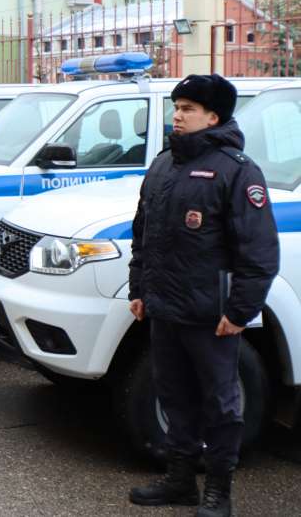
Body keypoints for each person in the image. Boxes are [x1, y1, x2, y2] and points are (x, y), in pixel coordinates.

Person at [128, 74, 279, 517]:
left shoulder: (236, 170)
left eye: (188, 108)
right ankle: (180, 481)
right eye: (177, 106)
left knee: (220, 404)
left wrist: (240, 311)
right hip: (165, 308)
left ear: (214, 117)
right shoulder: (162, 164)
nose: (177, 114)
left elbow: (258, 250)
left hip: (211, 316)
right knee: (173, 395)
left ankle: (218, 490)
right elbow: (145, 234)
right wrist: (139, 289)